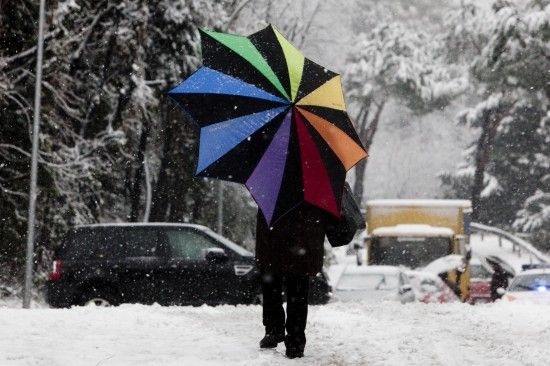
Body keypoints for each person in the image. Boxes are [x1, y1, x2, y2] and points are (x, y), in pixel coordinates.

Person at [255, 203, 329, 359]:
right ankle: (293, 342)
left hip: (280, 248)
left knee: (275, 289)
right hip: (297, 248)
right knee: (297, 296)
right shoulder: (312, 189)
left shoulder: (270, 187)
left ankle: (276, 331)